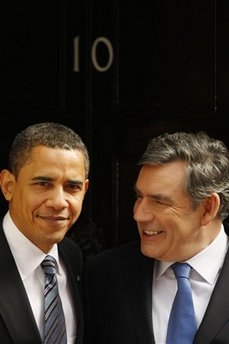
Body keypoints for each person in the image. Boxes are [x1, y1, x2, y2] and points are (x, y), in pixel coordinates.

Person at [84, 131, 229, 344]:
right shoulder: (105, 274)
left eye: (159, 202)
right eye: (139, 197)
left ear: (208, 208)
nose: (138, 214)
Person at [0, 122, 90, 344]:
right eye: (43, 183)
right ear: (8, 186)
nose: (59, 202)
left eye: (72, 187)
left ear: (85, 190)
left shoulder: (72, 256)